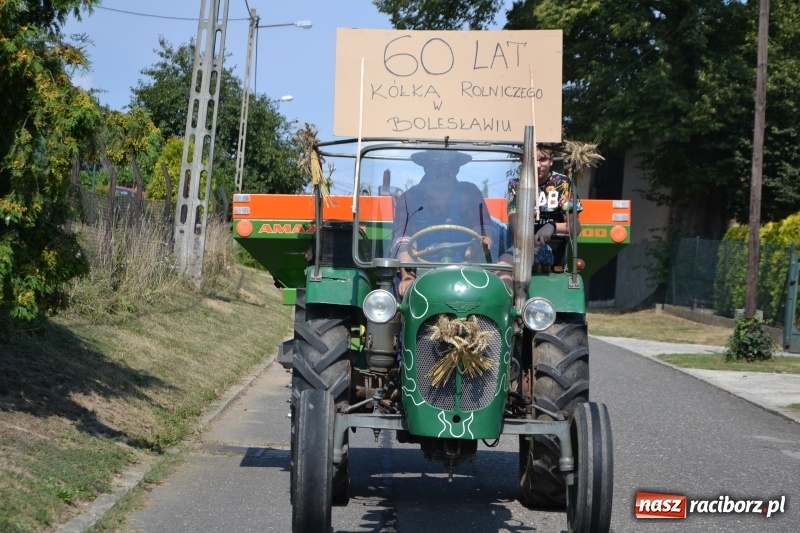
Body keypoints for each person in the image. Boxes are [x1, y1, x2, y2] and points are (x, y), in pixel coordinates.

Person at [392, 150, 495, 297]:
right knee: (391, 307)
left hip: (467, 271)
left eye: (449, 165)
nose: (443, 170)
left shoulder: (470, 192)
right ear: (425, 167)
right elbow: (404, 244)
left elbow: (484, 232)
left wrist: (480, 245)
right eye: (436, 165)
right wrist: (408, 277)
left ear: (456, 168)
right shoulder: (409, 198)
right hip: (422, 274)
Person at [498, 146, 582, 283]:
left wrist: (552, 226)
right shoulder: (516, 184)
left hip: (550, 249)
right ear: (522, 160)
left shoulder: (563, 184)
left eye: (542, 159)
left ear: (551, 160)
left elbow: (576, 227)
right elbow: (513, 217)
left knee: (504, 263)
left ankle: (505, 292)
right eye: (531, 160)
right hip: (522, 243)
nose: (537, 165)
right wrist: (525, 238)